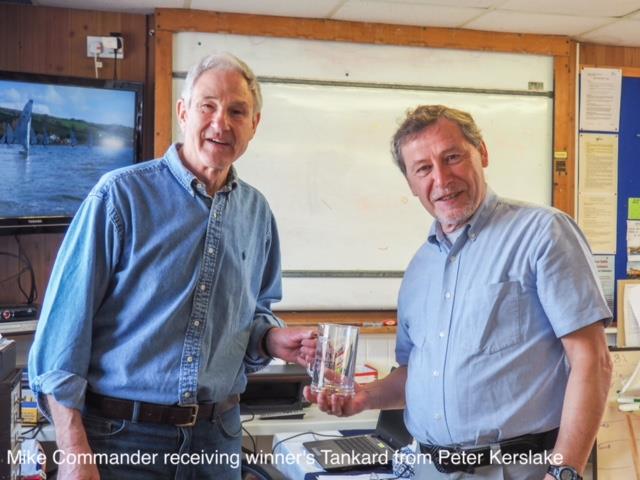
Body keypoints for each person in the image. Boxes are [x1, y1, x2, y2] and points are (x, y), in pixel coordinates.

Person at [29, 53, 315, 480]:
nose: (221, 123)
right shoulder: (119, 198)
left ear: (254, 125)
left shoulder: (257, 212)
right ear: (183, 112)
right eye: (208, 105)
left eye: (237, 111)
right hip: (121, 440)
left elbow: (252, 314)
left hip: (217, 439)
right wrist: (73, 448)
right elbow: (60, 338)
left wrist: (271, 339)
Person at [306, 105, 613, 480]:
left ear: (481, 153)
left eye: (452, 157)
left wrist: (565, 471)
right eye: (423, 168)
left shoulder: (542, 232)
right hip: (426, 468)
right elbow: (414, 374)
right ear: (411, 183)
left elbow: (592, 361)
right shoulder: (421, 267)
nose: (441, 178)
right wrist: (363, 398)